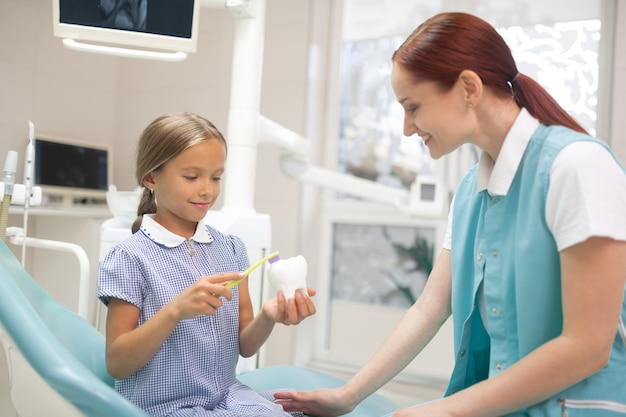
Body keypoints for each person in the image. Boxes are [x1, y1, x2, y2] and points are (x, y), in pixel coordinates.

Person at [274, 11, 626, 417]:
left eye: (413, 107)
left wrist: (443, 411)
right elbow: (429, 308)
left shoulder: (575, 166)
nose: (407, 128)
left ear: (468, 88)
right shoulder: (471, 191)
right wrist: (349, 395)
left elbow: (587, 347)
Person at [98, 112, 316, 417]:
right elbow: (117, 364)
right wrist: (176, 310)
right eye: (191, 176)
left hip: (228, 397)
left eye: (216, 177)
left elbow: (245, 346)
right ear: (151, 178)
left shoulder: (230, 248)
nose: (207, 190)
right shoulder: (130, 258)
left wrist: (269, 316)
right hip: (167, 408)